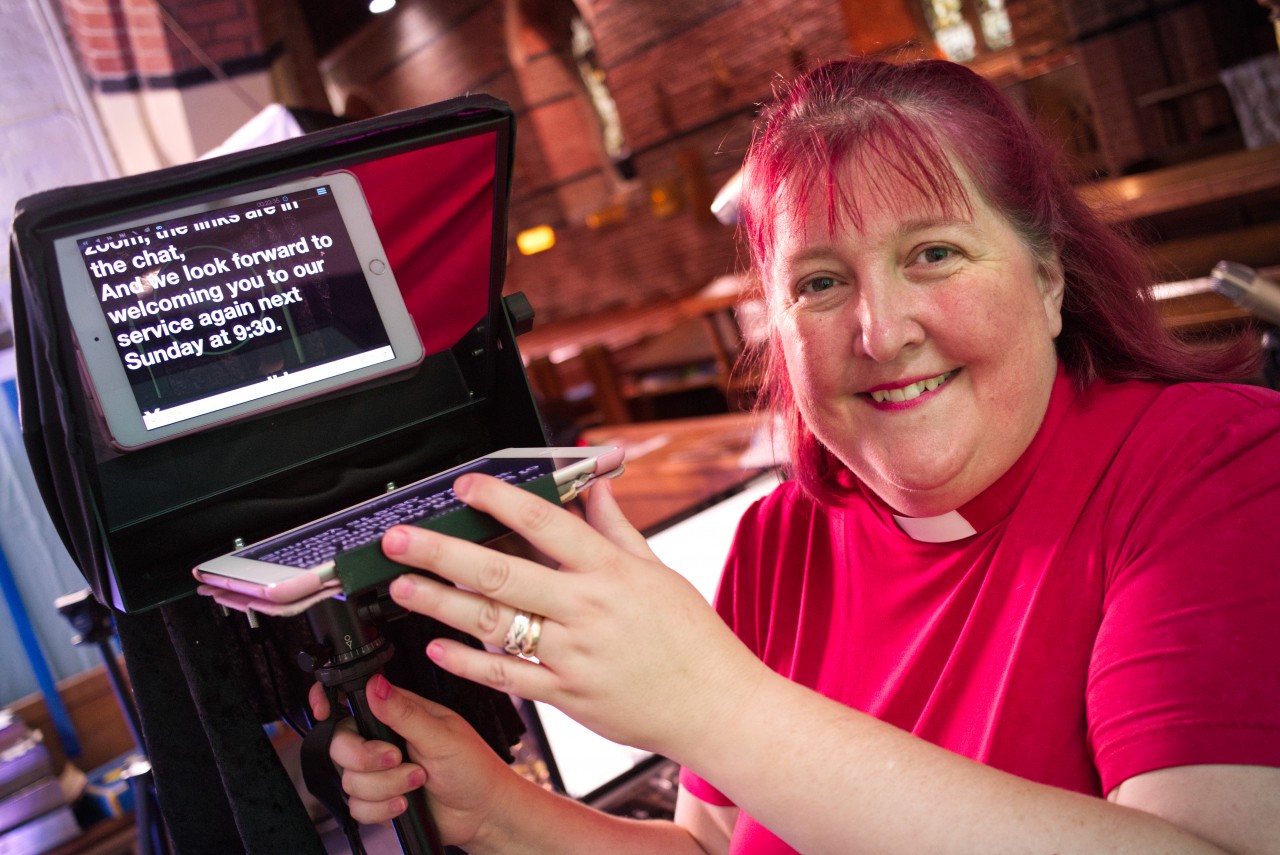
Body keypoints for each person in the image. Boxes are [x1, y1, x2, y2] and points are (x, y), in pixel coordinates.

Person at [311, 57, 1280, 853]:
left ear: (1047, 278)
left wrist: (713, 703)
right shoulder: (781, 541)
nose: (880, 329)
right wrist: (500, 813)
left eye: (932, 253)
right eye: (819, 281)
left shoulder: (1215, 467)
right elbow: (712, 846)